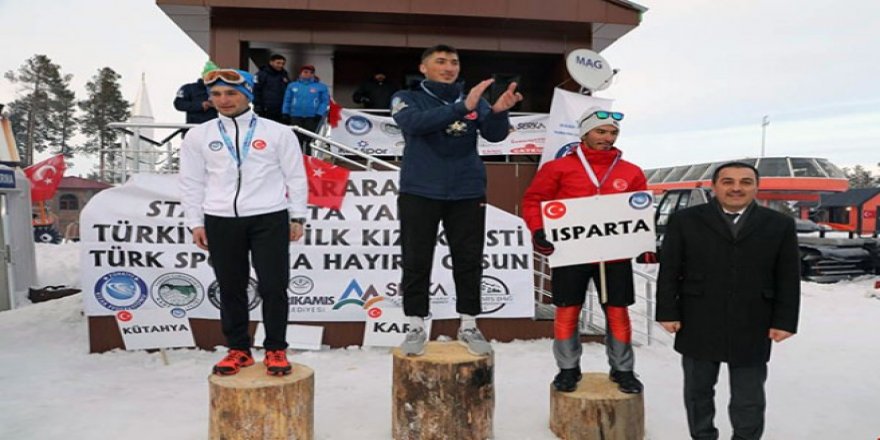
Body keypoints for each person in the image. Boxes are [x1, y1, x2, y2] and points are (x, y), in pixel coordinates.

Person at [392, 44, 523, 357]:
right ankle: (415, 324)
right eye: (440, 61)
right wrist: (462, 106)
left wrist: (500, 112)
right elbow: (414, 125)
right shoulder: (405, 98)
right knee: (416, 259)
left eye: (454, 62)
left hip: (467, 191)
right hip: (419, 190)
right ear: (424, 67)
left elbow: (494, 136)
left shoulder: (475, 98)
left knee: (468, 259)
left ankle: (468, 323)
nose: (449, 67)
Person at [656, 162, 801, 439]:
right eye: (728, 181)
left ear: (756, 187)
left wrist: (785, 321)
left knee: (749, 397)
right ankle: (702, 435)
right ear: (714, 186)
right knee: (698, 391)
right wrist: (667, 311)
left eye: (746, 182)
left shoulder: (779, 224)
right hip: (698, 317)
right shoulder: (685, 220)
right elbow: (670, 270)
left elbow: (787, 277)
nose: (737, 188)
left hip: (754, 320)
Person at [179, 68, 308, 376]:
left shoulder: (278, 132)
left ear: (247, 94)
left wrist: (298, 216)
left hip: (269, 217)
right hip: (221, 219)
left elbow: (296, 177)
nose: (224, 100)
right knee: (231, 287)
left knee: (273, 286)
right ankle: (238, 349)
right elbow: (191, 182)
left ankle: (276, 348)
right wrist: (195, 222)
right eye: (217, 94)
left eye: (231, 93)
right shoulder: (199, 135)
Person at [521, 107, 649, 394]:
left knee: (618, 312)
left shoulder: (631, 172)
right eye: (600, 131)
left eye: (613, 133)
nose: (607, 137)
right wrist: (539, 230)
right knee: (567, 310)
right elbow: (534, 201)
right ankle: (568, 368)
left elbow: (640, 212)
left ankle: (623, 369)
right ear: (584, 133)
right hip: (570, 253)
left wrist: (644, 245)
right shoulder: (558, 168)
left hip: (614, 255)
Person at [282, 64, 329, 155]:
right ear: (301, 73)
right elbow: (287, 100)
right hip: (295, 115)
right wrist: (285, 112)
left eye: (311, 72)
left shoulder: (321, 86)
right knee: (296, 139)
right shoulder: (292, 85)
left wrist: (319, 113)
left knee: (309, 140)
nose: (308, 74)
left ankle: (309, 159)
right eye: (305, 72)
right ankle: (297, 159)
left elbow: (324, 101)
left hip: (312, 116)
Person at [253, 54, 290, 123]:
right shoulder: (261, 74)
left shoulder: (284, 74)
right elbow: (256, 90)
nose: (280, 65)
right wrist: (257, 105)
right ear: (271, 62)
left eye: (282, 63)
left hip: (280, 109)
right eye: (278, 63)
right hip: (266, 109)